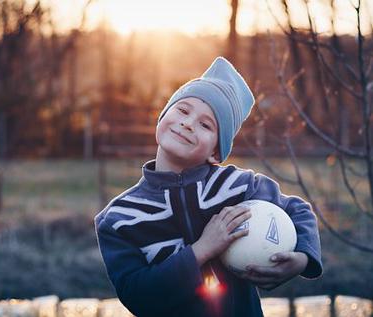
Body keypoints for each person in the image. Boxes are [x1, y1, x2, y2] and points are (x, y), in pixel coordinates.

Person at [94, 57, 323, 317]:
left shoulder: (238, 187)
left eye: (206, 124)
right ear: (161, 118)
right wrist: (201, 250)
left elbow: (298, 210)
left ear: (216, 152)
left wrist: (302, 259)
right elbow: (138, 296)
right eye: (182, 110)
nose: (188, 123)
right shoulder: (119, 219)